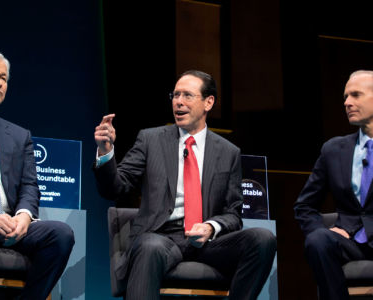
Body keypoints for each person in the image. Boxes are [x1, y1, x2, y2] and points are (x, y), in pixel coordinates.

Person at [94, 70, 277, 300]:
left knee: (263, 239)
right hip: (161, 237)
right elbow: (115, 187)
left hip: (208, 243)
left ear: (208, 102)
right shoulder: (151, 140)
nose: (178, 101)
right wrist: (106, 151)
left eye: (187, 95)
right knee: (149, 247)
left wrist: (210, 227)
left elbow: (233, 214)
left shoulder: (228, 152)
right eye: (175, 95)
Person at [0, 50, 75, 300]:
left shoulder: (19, 135)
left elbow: (30, 185)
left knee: (62, 235)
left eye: (4, 78)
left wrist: (23, 216)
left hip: (10, 223)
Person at [294, 70, 373, 300]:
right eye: (345, 97)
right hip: (350, 240)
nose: (347, 102)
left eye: (356, 95)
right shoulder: (333, 149)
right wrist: (321, 229)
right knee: (318, 240)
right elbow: (304, 206)